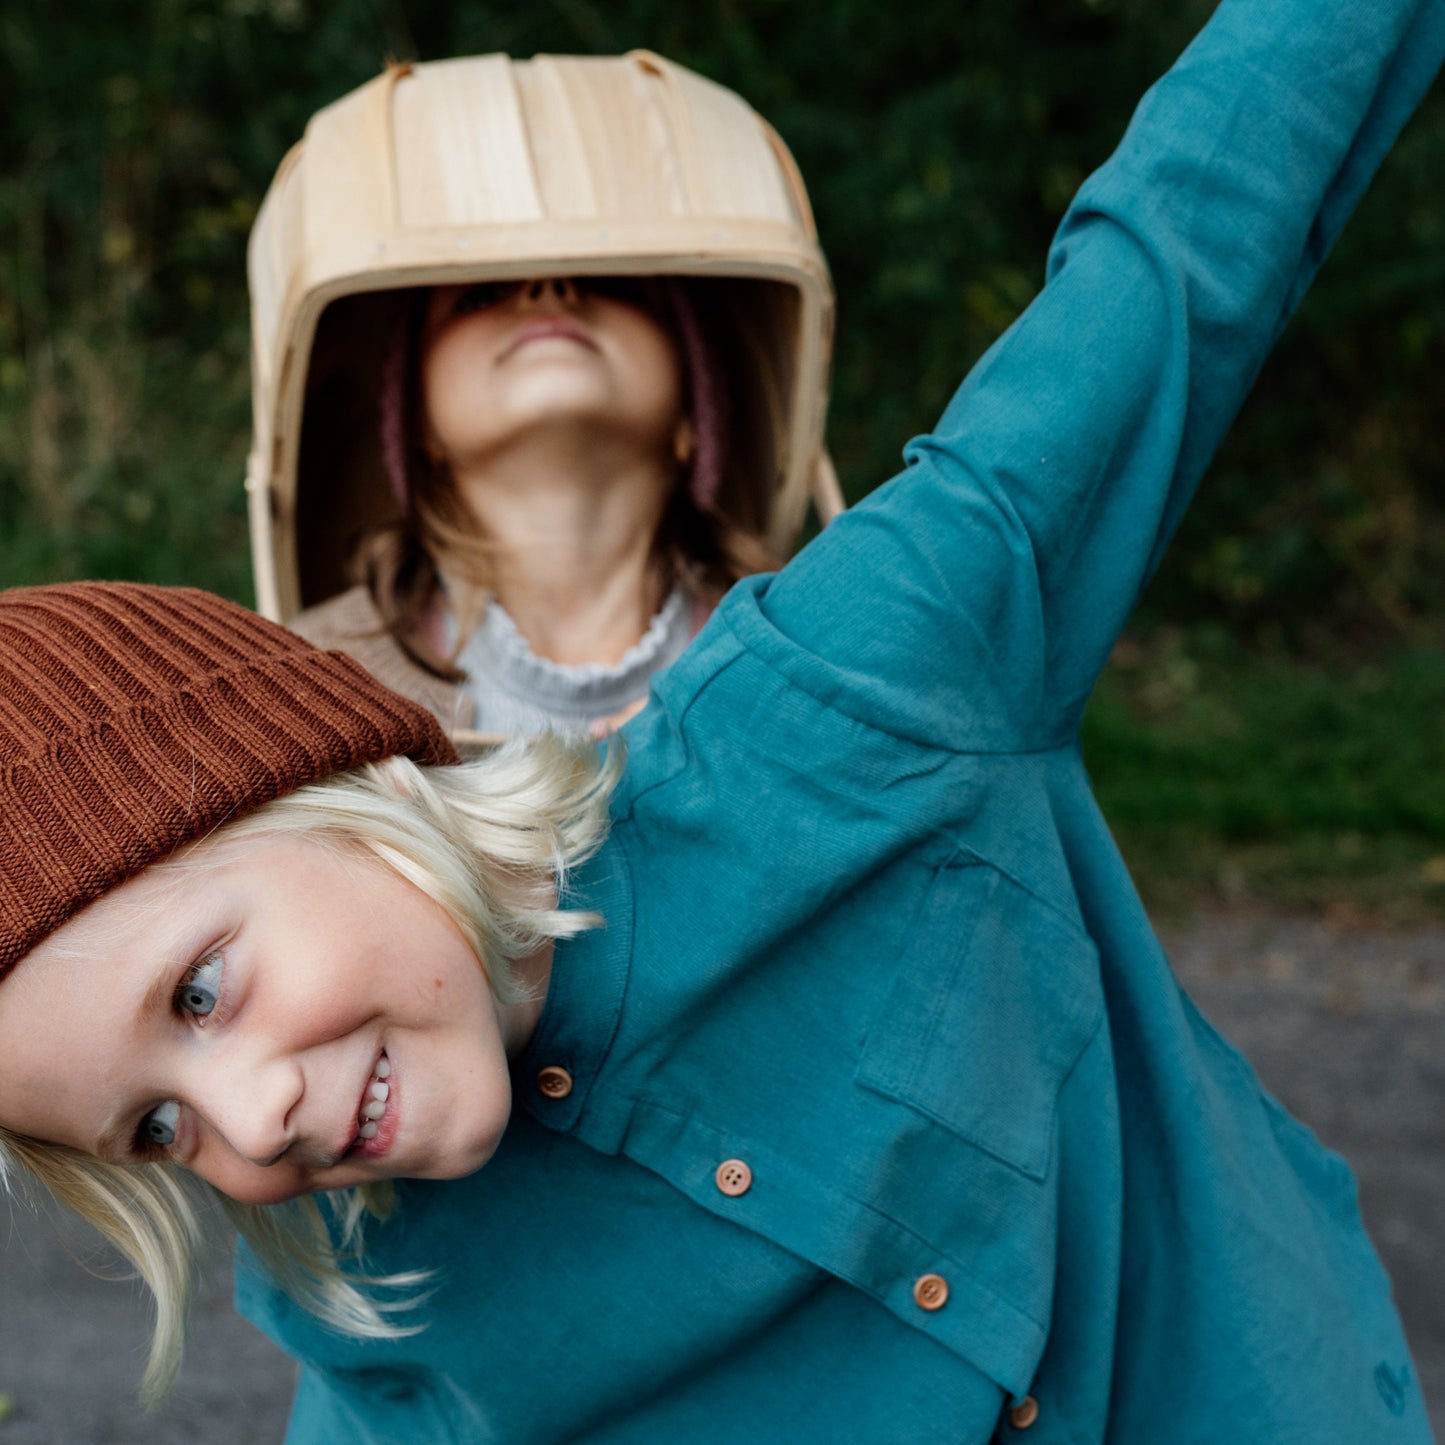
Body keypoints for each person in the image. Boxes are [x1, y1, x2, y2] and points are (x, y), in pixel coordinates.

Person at [0, 0, 1441, 1439]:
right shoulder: (366, 1288)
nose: (250, 1125)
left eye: (198, 995)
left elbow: (1178, 260)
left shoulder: (860, 679)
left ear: (320, 782)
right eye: (157, 1128)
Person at [244, 52, 841, 743]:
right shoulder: (313, 682)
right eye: (482, 294)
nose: (547, 293)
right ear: (417, 429)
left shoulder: (797, 653)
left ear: (693, 413)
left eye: (608, 280)